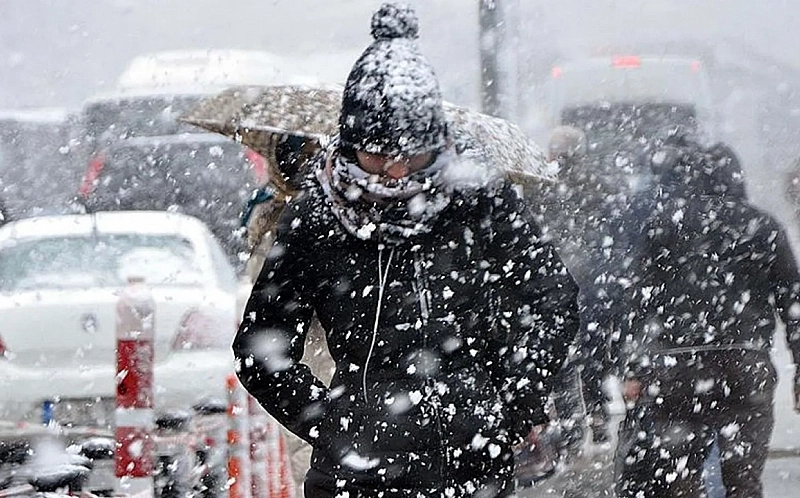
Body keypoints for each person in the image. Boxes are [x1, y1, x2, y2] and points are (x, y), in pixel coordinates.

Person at [232, 3, 580, 497]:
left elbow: (552, 298)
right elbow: (259, 349)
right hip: (357, 476)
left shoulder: (478, 201)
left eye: (411, 156)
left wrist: (514, 402)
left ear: (437, 144)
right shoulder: (316, 217)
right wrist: (335, 425)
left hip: (474, 467)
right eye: (377, 156)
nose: (394, 173)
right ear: (349, 146)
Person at [614, 134, 800, 498]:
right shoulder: (761, 226)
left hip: (676, 367)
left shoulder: (663, 225)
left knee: (679, 475)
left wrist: (634, 368)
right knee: (742, 478)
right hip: (745, 362)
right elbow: (793, 300)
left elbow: (636, 301)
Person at [538, 126, 616, 450]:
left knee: (564, 355)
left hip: (558, 278)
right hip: (590, 278)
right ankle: (597, 414)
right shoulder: (597, 181)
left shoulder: (542, 183)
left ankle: (572, 428)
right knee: (593, 349)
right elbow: (609, 226)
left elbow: (537, 226)